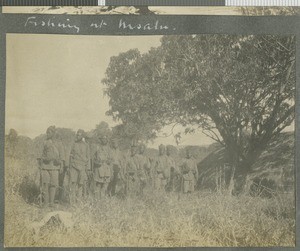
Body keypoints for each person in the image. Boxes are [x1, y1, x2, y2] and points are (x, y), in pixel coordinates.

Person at [39, 126, 62, 207]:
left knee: (53, 185)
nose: (47, 134)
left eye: (49, 132)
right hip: (45, 167)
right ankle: (45, 203)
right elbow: (40, 154)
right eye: (47, 132)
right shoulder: (44, 142)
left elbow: (62, 156)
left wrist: (61, 166)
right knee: (45, 184)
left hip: (55, 167)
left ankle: (51, 203)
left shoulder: (59, 143)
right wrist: (43, 160)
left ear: (53, 133)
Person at [69, 129, 91, 204]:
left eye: (79, 135)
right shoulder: (73, 144)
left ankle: (79, 201)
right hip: (74, 166)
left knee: (80, 184)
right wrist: (69, 166)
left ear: (82, 136)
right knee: (73, 183)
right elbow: (70, 155)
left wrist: (88, 169)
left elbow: (88, 157)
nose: (77, 136)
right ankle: (72, 202)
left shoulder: (86, 145)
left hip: (82, 167)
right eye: (77, 134)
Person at [93, 135, 112, 200]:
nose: (104, 140)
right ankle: (97, 200)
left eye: (105, 139)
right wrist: (97, 162)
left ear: (107, 140)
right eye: (102, 139)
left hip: (106, 168)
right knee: (98, 185)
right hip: (99, 168)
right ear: (101, 140)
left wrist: (111, 171)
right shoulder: (97, 147)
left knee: (105, 185)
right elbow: (93, 158)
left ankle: (102, 200)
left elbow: (111, 159)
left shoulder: (109, 149)